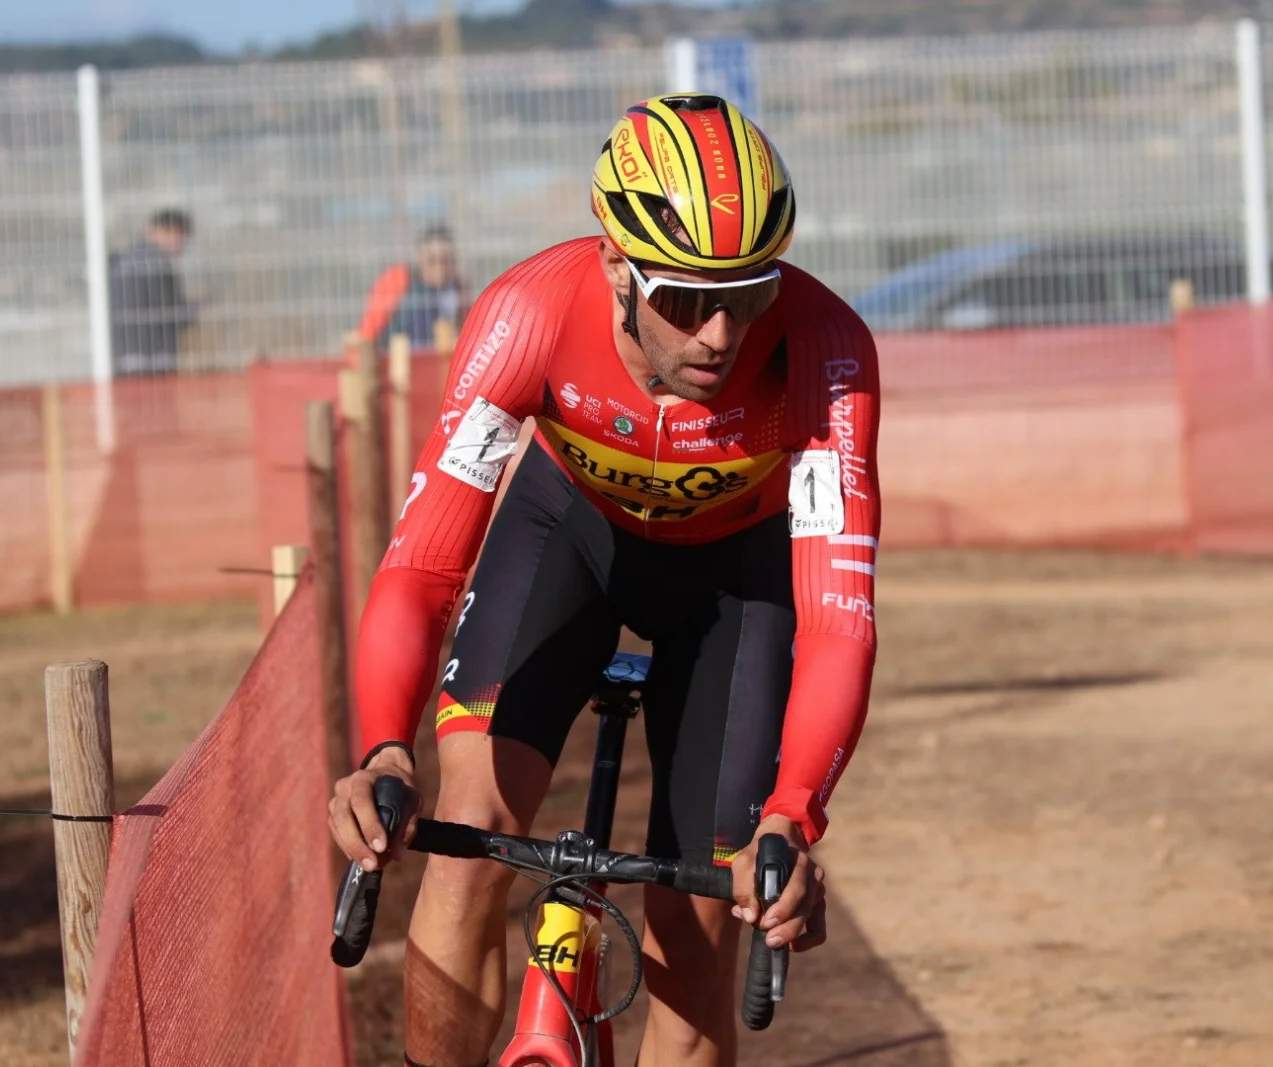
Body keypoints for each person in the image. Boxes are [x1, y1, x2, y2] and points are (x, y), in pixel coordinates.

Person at [328, 93, 879, 1067]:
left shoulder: (825, 352)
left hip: (736, 585)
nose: (719, 333)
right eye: (685, 299)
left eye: (748, 294)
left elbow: (836, 619)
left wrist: (795, 811)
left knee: (695, 913)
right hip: (569, 533)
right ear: (615, 266)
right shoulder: (527, 316)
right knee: (468, 837)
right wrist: (381, 745)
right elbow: (422, 563)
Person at [108, 208, 196, 376]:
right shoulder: (155, 265)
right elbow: (169, 314)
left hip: (123, 359)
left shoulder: (127, 260)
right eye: (180, 236)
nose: (182, 243)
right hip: (152, 362)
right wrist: (194, 309)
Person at [356, 223, 469, 354]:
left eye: (445, 260)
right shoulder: (399, 279)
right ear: (419, 257)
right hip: (396, 360)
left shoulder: (458, 290)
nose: (439, 268)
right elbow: (368, 331)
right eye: (432, 260)